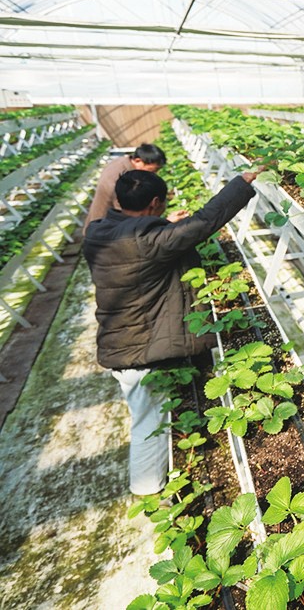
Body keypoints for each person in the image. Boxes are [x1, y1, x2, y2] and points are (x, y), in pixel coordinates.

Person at [83, 168, 259, 495]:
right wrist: (242, 183)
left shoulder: (98, 232)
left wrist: (165, 224)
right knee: (148, 425)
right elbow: (204, 222)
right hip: (139, 351)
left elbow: (139, 242)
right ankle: (148, 491)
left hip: (121, 341)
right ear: (154, 202)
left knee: (148, 415)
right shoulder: (150, 241)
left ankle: (154, 484)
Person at [84, 143, 168, 234]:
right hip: (104, 229)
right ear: (138, 161)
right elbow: (128, 215)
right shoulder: (120, 179)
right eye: (153, 170)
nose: (154, 174)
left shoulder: (123, 161)